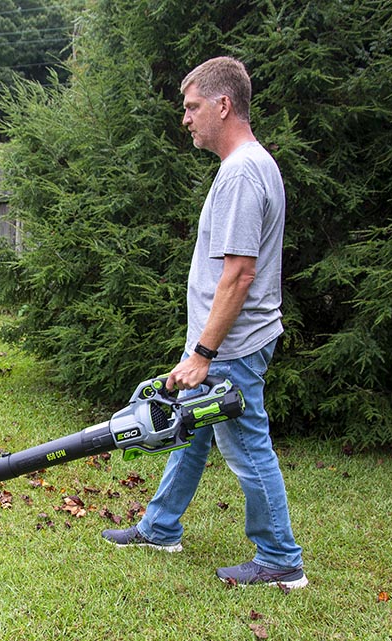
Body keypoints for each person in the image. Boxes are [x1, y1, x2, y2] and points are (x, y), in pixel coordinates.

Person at [101, 56, 306, 589]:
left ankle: (281, 557)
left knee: (245, 446)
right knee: (189, 432)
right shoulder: (253, 165)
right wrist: (199, 349)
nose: (186, 119)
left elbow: (238, 274)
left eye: (192, 107)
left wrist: (203, 354)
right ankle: (160, 527)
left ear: (223, 104)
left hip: (233, 346)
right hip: (224, 342)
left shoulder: (241, 173)